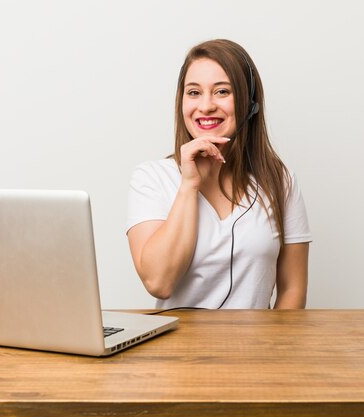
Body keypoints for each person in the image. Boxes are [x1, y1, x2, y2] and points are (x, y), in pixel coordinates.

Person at [126, 39, 312, 309]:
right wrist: (189, 185)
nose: (206, 106)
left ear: (250, 104)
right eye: (193, 92)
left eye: (222, 91)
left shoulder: (280, 181)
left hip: (258, 350)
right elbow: (159, 283)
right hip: (176, 351)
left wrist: (275, 350)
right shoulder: (151, 178)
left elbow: (292, 290)